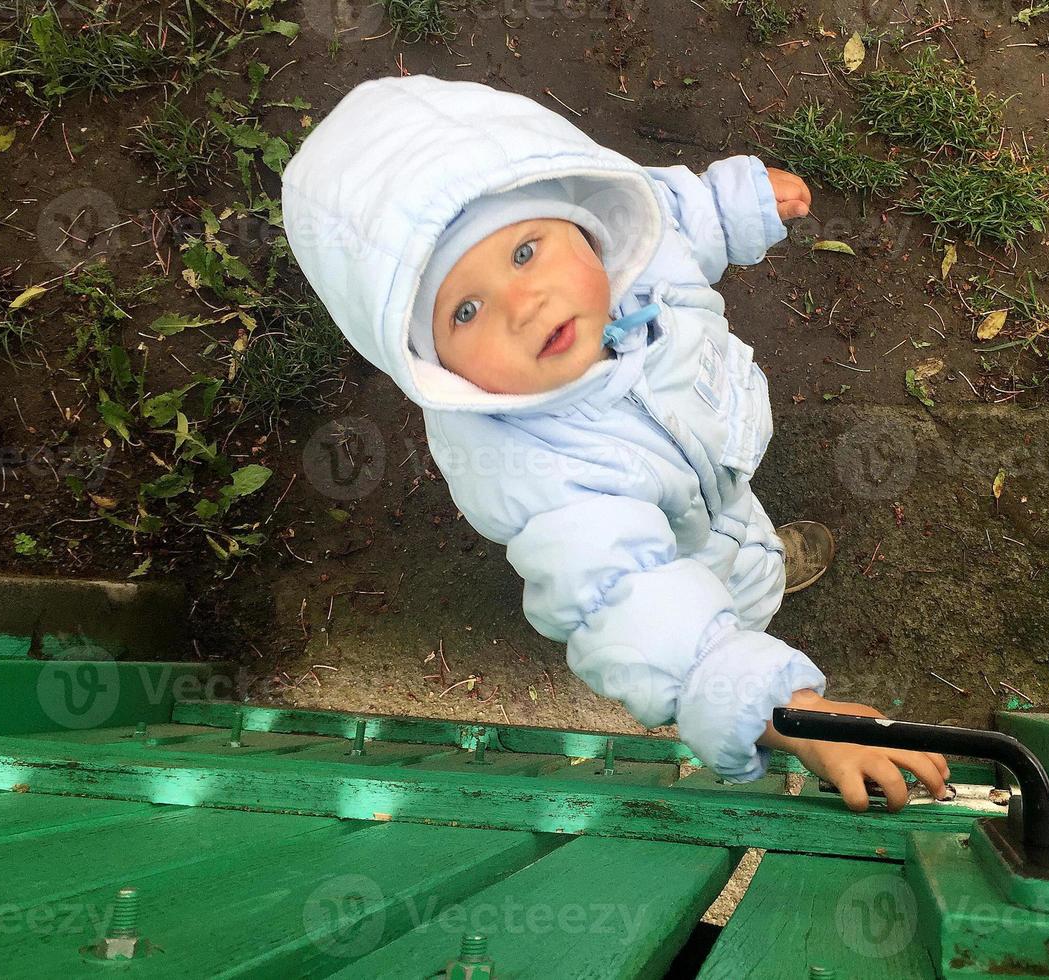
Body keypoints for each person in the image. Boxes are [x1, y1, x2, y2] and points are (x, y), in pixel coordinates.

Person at [282, 76, 948, 810]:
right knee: (715, 585)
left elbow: (667, 217)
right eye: (465, 309)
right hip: (667, 538)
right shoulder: (540, 476)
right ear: (428, 362)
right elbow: (626, 599)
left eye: (525, 250)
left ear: (583, 219)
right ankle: (754, 588)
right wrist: (781, 710)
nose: (522, 302)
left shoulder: (632, 256)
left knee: (734, 517)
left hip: (710, 457)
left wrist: (730, 205)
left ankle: (753, 549)